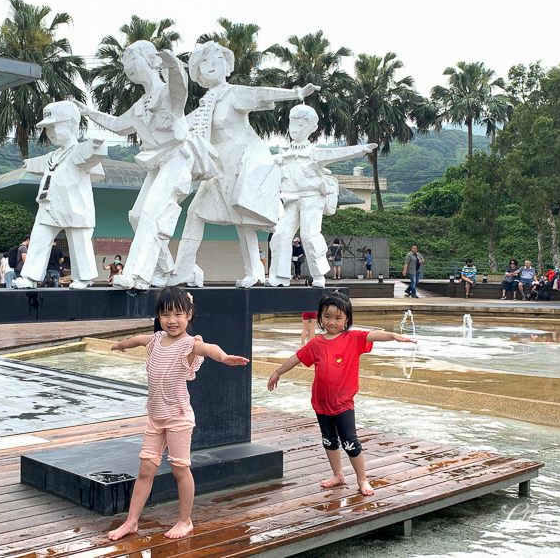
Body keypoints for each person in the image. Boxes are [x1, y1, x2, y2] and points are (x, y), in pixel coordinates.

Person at [169, 41, 320, 288]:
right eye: (204, 61)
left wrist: (295, 94)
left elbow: (260, 94)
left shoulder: (233, 93)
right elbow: (181, 126)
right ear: (197, 70)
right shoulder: (206, 103)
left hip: (242, 162)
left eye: (216, 59)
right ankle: (184, 269)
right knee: (196, 213)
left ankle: (255, 272)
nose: (210, 65)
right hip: (217, 167)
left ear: (226, 65)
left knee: (244, 219)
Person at [106, 287, 249, 541]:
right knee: (145, 470)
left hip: (178, 418)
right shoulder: (155, 340)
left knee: (180, 469)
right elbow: (139, 339)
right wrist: (121, 344)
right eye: (165, 314)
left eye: (178, 314)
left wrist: (224, 356)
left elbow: (209, 348)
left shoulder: (189, 344)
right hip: (156, 417)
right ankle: (131, 522)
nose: (172, 320)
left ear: (189, 315)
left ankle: (185, 521)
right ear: (159, 317)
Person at [81, 42, 218, 290]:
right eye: (124, 62)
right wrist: (88, 113)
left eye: (130, 58)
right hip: (157, 162)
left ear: (148, 60)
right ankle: (165, 270)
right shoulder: (141, 104)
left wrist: (173, 65)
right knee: (136, 215)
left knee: (154, 213)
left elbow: (180, 87)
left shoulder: (168, 93)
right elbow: (118, 124)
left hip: (178, 158)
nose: (126, 66)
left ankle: (138, 276)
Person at [267, 291, 416, 496]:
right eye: (327, 316)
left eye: (338, 318)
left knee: (350, 442)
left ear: (347, 319)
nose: (332, 322)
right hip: (321, 402)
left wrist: (393, 336)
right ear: (320, 316)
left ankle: (362, 479)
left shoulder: (352, 338)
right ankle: (338, 475)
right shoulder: (317, 343)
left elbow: (372, 335)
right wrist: (277, 372)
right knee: (329, 440)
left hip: (343, 403)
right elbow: (297, 358)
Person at [265, 105, 376, 288]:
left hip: (312, 197)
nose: (295, 128)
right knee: (280, 235)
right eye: (292, 122)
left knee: (309, 235)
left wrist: (360, 149)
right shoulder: (283, 155)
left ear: (311, 128)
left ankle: (318, 276)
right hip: (290, 198)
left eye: (301, 124)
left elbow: (338, 153)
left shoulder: (315, 153)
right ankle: (280, 277)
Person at [12, 100, 108, 290]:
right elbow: (37, 163)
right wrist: (28, 163)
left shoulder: (78, 151)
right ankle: (30, 277)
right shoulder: (53, 155)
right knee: (39, 238)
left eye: (55, 126)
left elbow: (94, 152)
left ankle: (84, 278)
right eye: (48, 128)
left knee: (79, 241)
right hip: (49, 205)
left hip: (75, 206)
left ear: (72, 125)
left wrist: (97, 146)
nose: (51, 133)